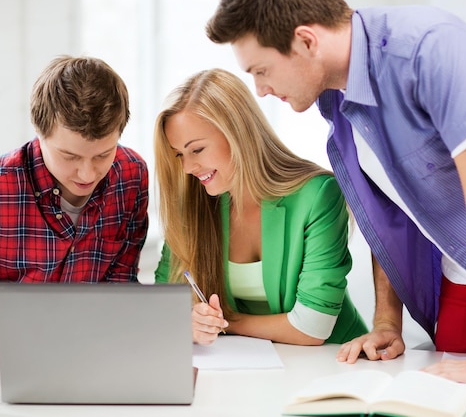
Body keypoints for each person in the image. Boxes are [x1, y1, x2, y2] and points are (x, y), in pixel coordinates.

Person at [205, 0, 466, 384]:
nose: (261, 90)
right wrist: (387, 322)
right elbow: (387, 214)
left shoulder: (429, 48)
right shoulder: (335, 103)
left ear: (306, 41)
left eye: (262, 70)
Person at [0, 55, 149, 372]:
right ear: (40, 132)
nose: (87, 173)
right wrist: (9, 342)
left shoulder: (130, 176)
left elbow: (119, 290)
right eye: (69, 155)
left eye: (103, 154)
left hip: (76, 363)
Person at [154, 68, 367, 346]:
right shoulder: (194, 204)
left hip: (333, 361)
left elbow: (313, 326)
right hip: (246, 366)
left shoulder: (318, 195)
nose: (188, 167)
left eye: (197, 150)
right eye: (179, 155)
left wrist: (223, 323)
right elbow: (162, 307)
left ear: (238, 134)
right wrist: (190, 321)